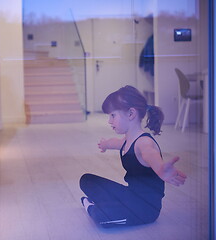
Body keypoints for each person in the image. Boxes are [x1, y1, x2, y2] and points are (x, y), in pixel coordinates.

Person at [79, 85, 186, 228]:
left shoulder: (144, 143)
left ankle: (91, 206)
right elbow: (115, 143)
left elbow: (152, 156)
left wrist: (161, 169)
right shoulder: (127, 140)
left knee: (101, 216)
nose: (109, 121)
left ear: (130, 114)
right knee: (86, 180)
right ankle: (106, 205)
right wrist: (105, 144)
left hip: (146, 209)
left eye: (113, 115)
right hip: (130, 195)